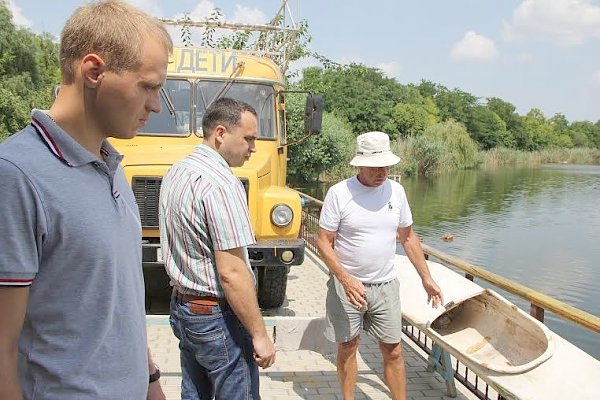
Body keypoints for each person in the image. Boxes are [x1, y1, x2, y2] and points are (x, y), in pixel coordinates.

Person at [0, 1, 173, 399]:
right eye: (148, 86)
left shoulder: (112, 166)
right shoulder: (17, 176)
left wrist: (150, 382)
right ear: (94, 71)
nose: (156, 105)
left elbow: (115, 303)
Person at [159, 97, 276, 400]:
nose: (253, 148)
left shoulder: (177, 171)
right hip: (217, 317)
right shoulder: (222, 184)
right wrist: (260, 335)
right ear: (221, 133)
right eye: (249, 138)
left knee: (194, 393)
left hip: (184, 308)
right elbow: (232, 273)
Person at [316, 131, 444, 400]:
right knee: (348, 346)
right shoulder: (339, 193)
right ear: (359, 164)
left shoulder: (396, 191)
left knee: (394, 349)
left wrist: (427, 278)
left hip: (385, 285)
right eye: (376, 167)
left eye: (386, 165)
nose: (382, 172)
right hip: (346, 287)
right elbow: (323, 242)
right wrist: (345, 278)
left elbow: (408, 237)